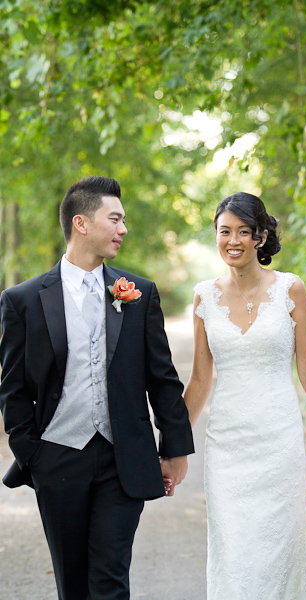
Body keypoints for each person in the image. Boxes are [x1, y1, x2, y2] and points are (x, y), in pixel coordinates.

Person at [0, 176, 195, 600]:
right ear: (81, 223)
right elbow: (12, 388)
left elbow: (161, 378)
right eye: (115, 219)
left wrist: (174, 448)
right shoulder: (23, 300)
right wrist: (31, 453)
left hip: (122, 458)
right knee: (73, 583)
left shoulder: (139, 293)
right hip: (56, 457)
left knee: (109, 581)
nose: (123, 229)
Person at [183, 192, 306, 599]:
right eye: (225, 232)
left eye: (243, 231)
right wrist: (171, 446)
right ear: (216, 236)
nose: (233, 240)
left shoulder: (290, 289)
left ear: (260, 237)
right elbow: (201, 379)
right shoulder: (204, 296)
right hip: (226, 445)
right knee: (234, 549)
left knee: (279, 546)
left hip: (278, 440)